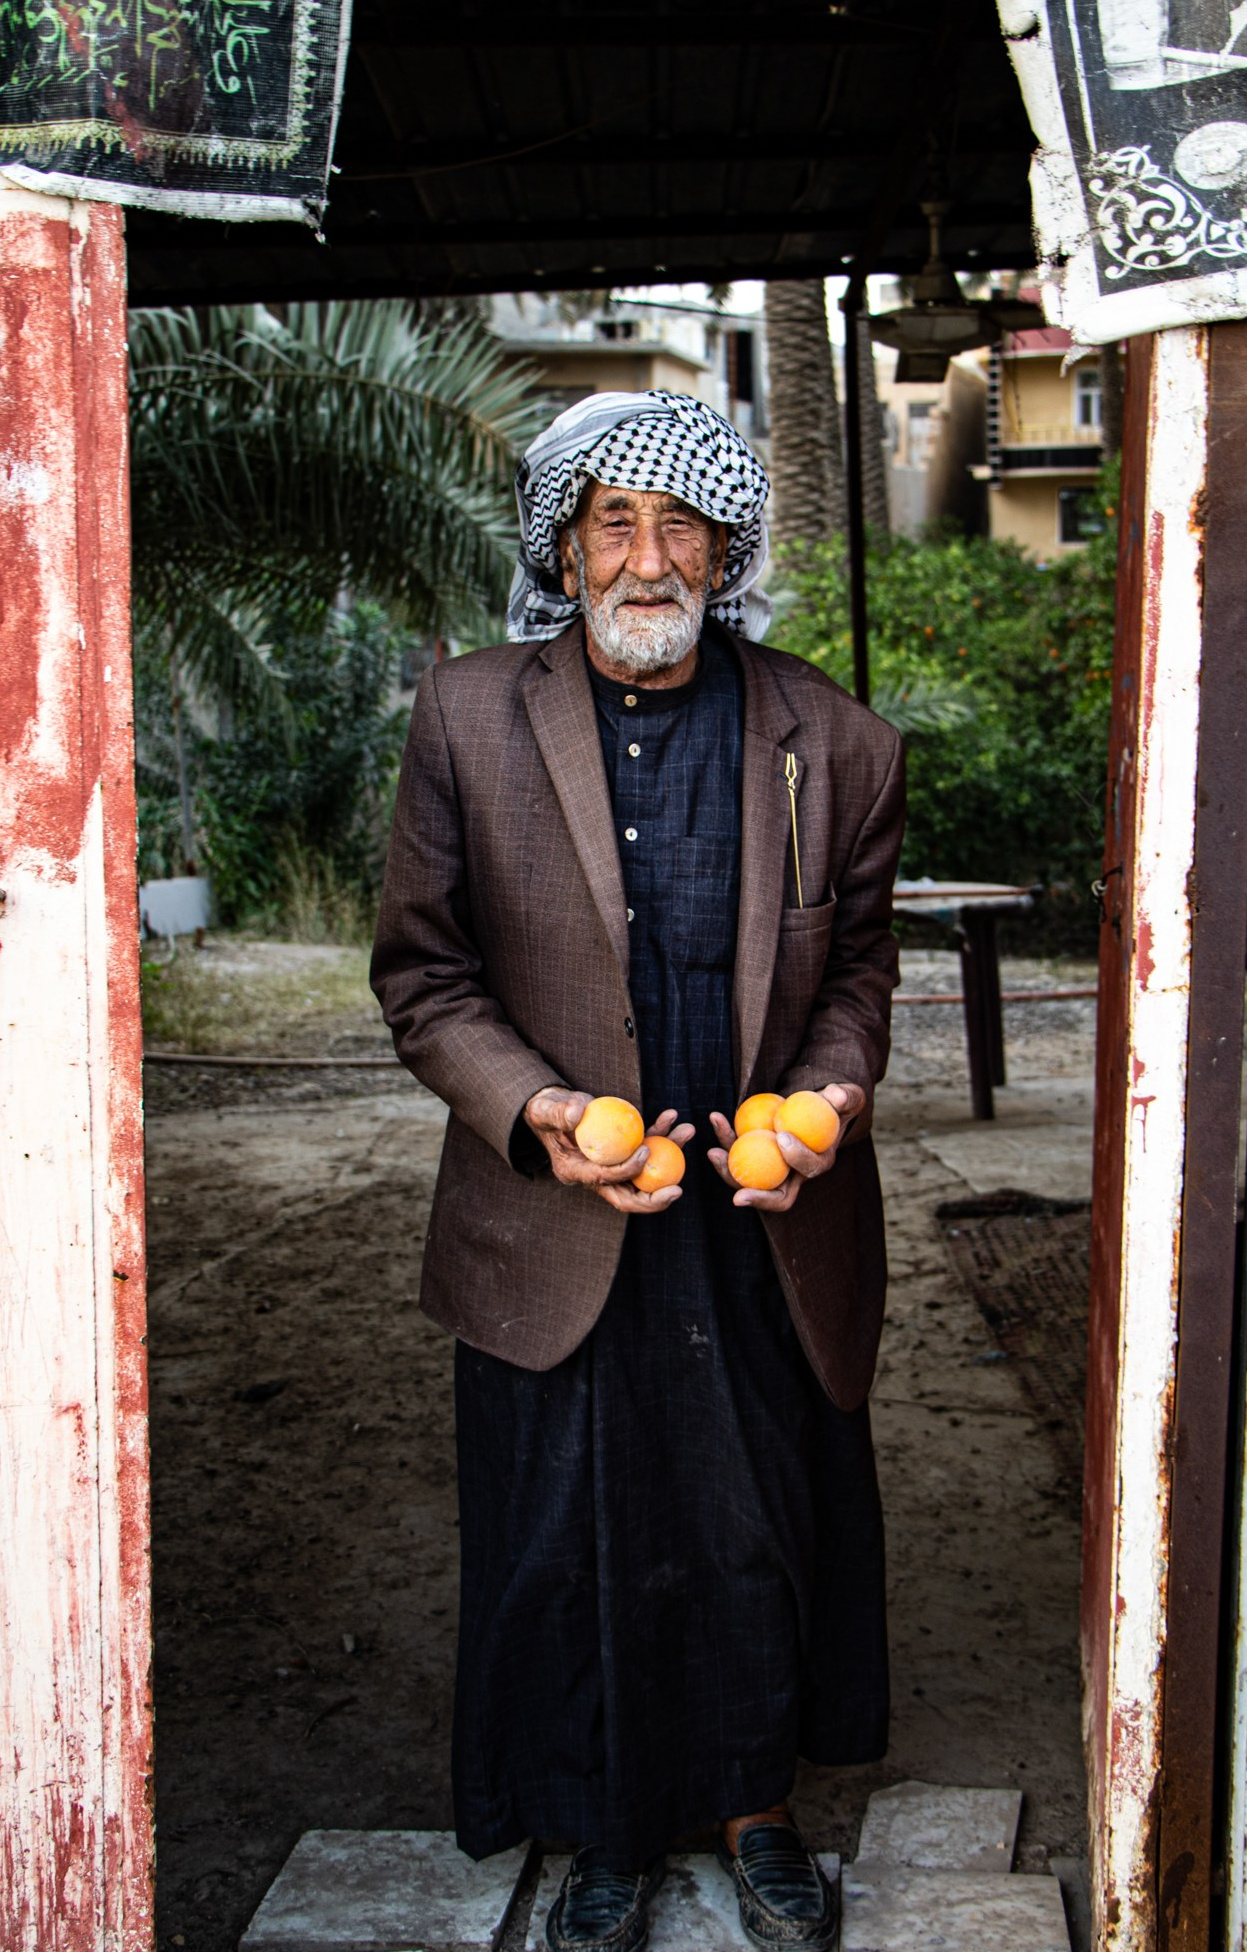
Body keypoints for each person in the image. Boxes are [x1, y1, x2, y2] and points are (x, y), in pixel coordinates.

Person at [371, 391, 905, 1952]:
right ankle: (598, 1825)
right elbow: (423, 976)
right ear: (564, 548)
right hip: (556, 1216)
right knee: (569, 1531)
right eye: (615, 522)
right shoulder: (468, 716)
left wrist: (826, 1105)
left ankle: (755, 1808)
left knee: (756, 1518)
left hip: (758, 1214)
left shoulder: (835, 740)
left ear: (727, 552)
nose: (649, 558)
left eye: (683, 527)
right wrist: (538, 1112)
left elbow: (860, 975)